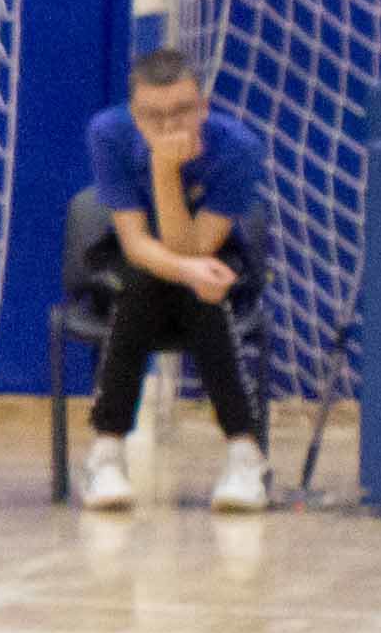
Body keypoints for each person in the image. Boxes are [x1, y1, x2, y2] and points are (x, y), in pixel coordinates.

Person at [77, 48, 271, 514]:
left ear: (204, 106)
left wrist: (165, 172)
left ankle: (112, 448)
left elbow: (196, 247)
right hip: (139, 259)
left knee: (201, 293)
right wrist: (164, 168)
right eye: (153, 115)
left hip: (213, 254)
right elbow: (136, 243)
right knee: (147, 284)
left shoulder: (238, 148)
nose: (169, 126)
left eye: (182, 111)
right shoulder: (108, 133)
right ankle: (241, 450)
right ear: (133, 113)